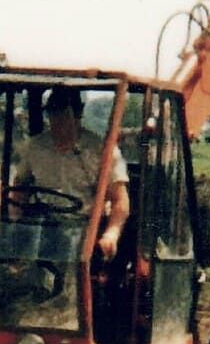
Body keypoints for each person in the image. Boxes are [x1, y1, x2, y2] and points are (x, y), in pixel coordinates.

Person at [11, 87, 131, 260]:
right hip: (45, 227)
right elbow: (20, 187)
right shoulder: (35, 147)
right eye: (53, 116)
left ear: (78, 115)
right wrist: (16, 225)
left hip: (88, 229)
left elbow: (120, 199)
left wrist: (111, 234)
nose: (58, 123)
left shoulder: (102, 150)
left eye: (63, 116)